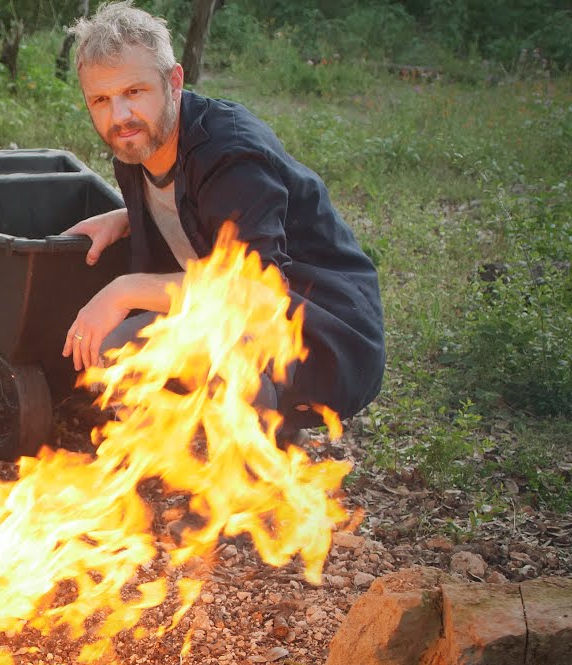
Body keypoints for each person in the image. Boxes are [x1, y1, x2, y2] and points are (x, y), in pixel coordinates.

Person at [60, 1, 385, 435]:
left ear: (173, 82)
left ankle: (256, 467)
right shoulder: (136, 141)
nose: (119, 116)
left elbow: (258, 293)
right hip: (242, 312)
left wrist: (123, 290)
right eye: (101, 99)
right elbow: (202, 212)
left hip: (324, 333)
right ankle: (168, 457)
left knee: (169, 344)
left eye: (134, 92)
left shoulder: (231, 155)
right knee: (119, 347)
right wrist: (128, 216)